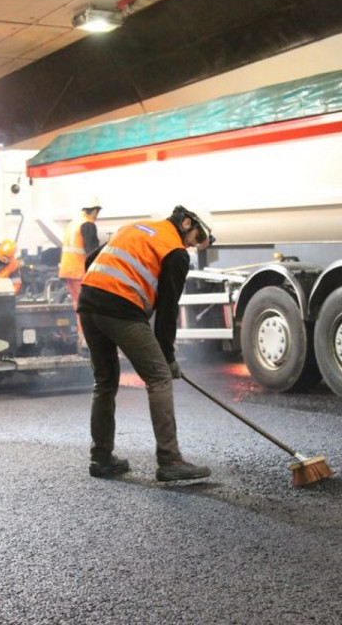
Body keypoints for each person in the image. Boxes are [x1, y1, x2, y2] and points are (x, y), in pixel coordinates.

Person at [79, 205, 215, 482]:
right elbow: (167, 310)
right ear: (187, 223)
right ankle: (170, 460)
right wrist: (168, 357)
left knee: (105, 381)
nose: (192, 246)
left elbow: (92, 259)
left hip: (89, 302)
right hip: (121, 309)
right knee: (159, 378)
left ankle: (101, 458)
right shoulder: (174, 252)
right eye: (196, 238)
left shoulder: (137, 227)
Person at [58, 195, 102, 342]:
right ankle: (87, 340)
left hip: (68, 270)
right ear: (95, 210)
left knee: (79, 304)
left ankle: (82, 338)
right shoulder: (88, 224)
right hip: (79, 271)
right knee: (88, 306)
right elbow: (92, 252)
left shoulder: (73, 223)